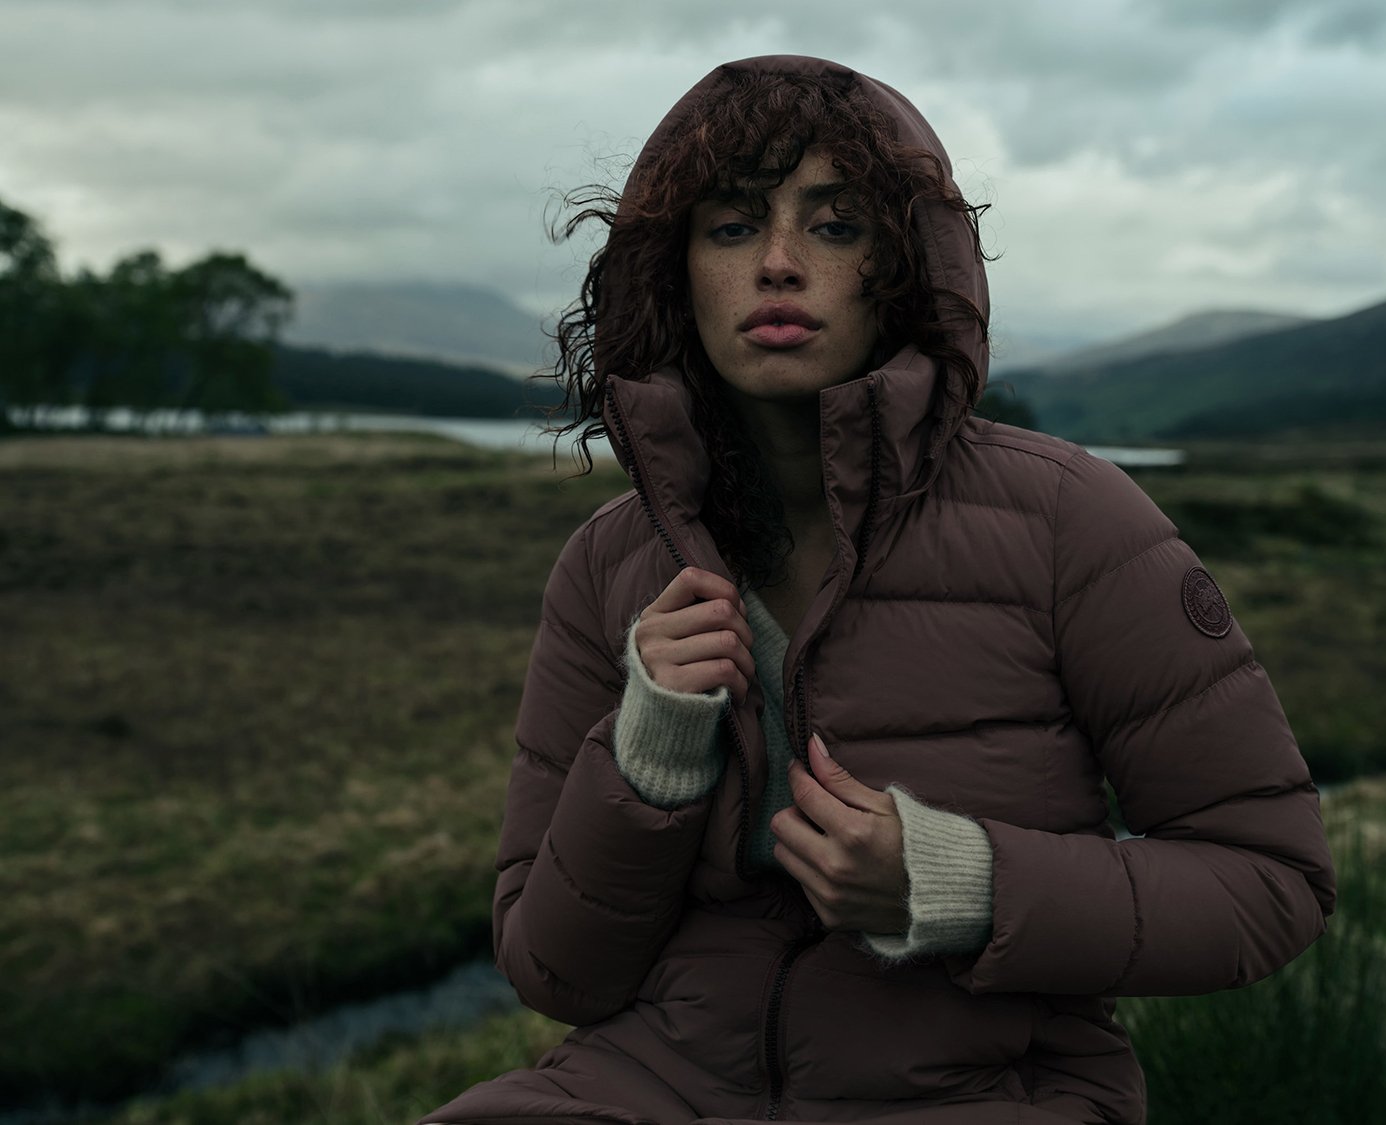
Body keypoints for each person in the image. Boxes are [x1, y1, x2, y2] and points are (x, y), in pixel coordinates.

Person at [419, 55, 1336, 1125]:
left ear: (905, 263)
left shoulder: (1070, 524)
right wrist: (650, 759)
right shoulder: (606, 566)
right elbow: (555, 976)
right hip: (647, 1089)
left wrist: (958, 886)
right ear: (672, 273)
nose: (776, 264)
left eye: (835, 225)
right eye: (730, 227)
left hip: (983, 1093)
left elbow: (1273, 887)